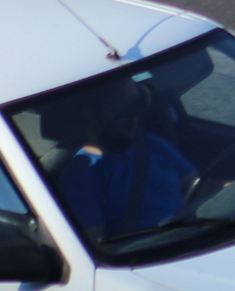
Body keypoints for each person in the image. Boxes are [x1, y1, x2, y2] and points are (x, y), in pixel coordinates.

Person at [45, 77, 194, 240]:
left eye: (136, 106)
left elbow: (198, 186)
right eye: (123, 109)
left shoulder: (152, 145)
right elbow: (95, 243)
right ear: (91, 114)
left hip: (194, 233)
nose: (133, 117)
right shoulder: (80, 176)